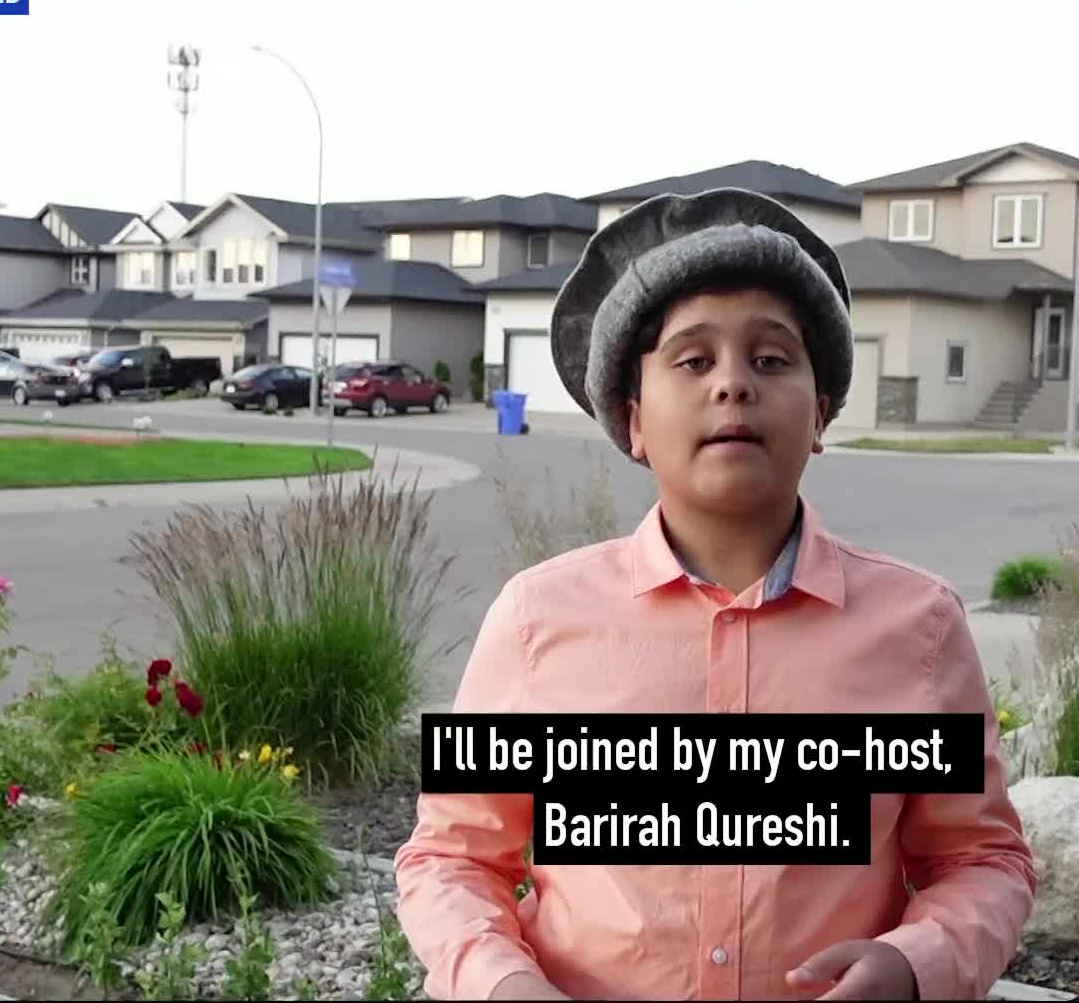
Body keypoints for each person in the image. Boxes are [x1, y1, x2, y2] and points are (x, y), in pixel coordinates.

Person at [393, 189, 1037, 1001]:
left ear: (822, 413)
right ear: (631, 419)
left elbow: (980, 859)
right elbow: (451, 856)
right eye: (693, 361)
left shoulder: (919, 628)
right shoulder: (536, 622)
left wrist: (916, 965)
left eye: (771, 359)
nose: (733, 384)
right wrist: (500, 984)